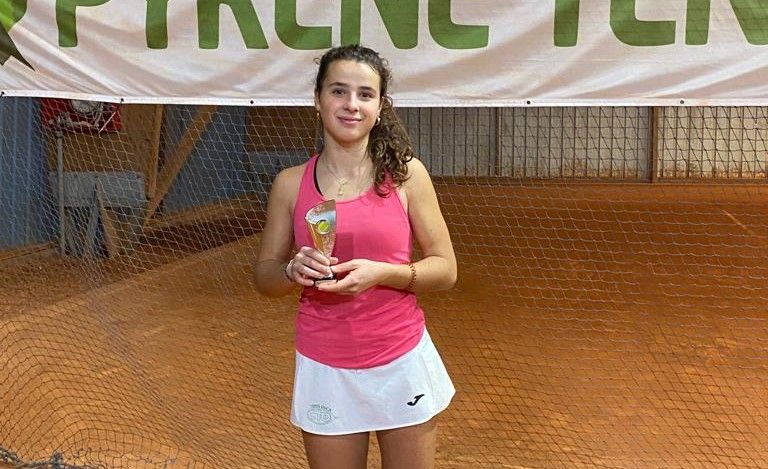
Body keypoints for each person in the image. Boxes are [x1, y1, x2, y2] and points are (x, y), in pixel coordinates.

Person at [254, 44, 457, 469]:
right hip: (325, 365)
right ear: (318, 99)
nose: (351, 104)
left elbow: (445, 269)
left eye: (365, 94)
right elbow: (265, 277)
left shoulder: (406, 174)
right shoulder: (290, 184)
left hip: (400, 358)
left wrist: (383, 273)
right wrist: (292, 270)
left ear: (380, 107)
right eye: (338, 91)